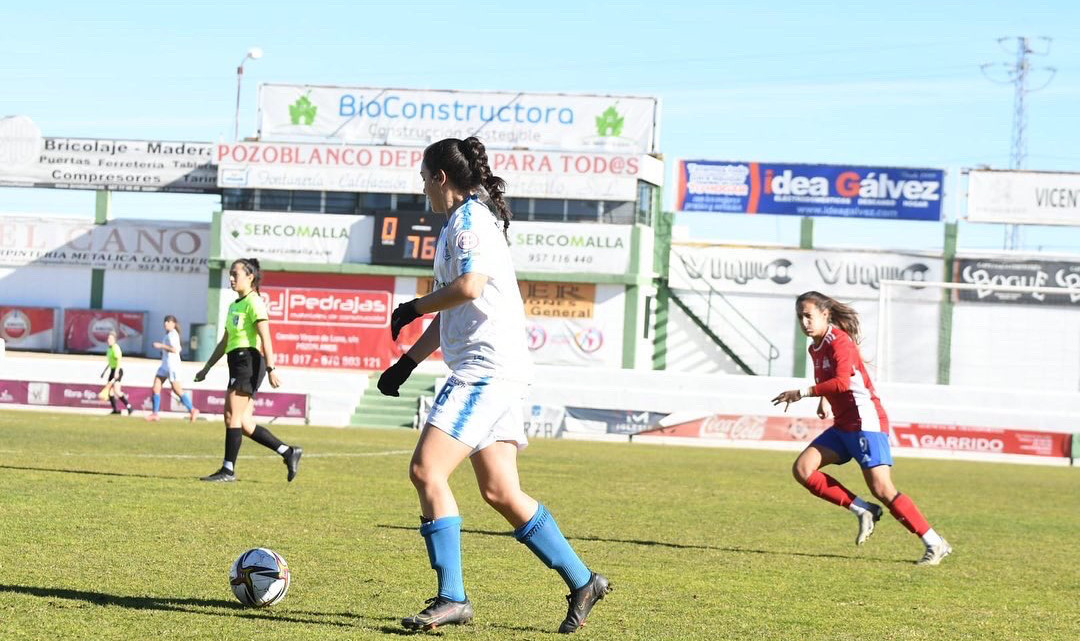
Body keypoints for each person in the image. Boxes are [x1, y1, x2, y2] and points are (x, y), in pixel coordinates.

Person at [378, 137, 611, 634]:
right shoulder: (460, 225)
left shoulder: (469, 223)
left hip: (486, 371)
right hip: (497, 370)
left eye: (424, 178)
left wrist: (411, 307)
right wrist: (407, 363)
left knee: (426, 471)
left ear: (441, 177)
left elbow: (469, 288)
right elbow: (458, 310)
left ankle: (452, 597)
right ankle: (583, 580)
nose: (422, 188)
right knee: (501, 491)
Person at [772, 291, 952, 566]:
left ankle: (934, 542)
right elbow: (830, 379)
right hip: (843, 423)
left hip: (866, 422)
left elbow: (842, 382)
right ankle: (863, 509)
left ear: (825, 314)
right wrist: (824, 399)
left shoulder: (839, 342)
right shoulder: (815, 346)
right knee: (803, 470)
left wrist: (802, 392)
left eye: (808, 315)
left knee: (882, 488)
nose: (804, 322)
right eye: (800, 317)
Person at [193, 258, 302, 483]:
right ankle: (288, 452)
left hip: (248, 362)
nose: (231, 278)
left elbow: (266, 337)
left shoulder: (255, 302)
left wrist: (271, 368)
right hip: (237, 362)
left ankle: (228, 470)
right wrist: (207, 368)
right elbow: (225, 341)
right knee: (243, 423)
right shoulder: (235, 305)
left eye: (236, 274)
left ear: (250, 277)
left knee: (231, 417)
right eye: (230, 274)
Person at [145, 315, 198, 422]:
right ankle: (155, 414)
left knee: (177, 389)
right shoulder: (169, 334)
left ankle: (192, 409)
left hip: (172, 366)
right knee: (156, 385)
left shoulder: (173, 334)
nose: (166, 323)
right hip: (165, 365)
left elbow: (175, 350)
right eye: (165, 321)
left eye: (168, 321)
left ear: (173, 323)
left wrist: (161, 346)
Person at [101, 332, 133, 415]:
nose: (109, 340)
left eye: (111, 339)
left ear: (115, 340)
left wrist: (116, 372)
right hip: (112, 370)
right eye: (108, 339)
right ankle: (115, 409)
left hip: (117, 370)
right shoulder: (109, 349)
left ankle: (129, 407)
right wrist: (104, 371)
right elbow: (111, 361)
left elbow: (118, 360)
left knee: (117, 391)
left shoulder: (116, 348)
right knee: (110, 391)